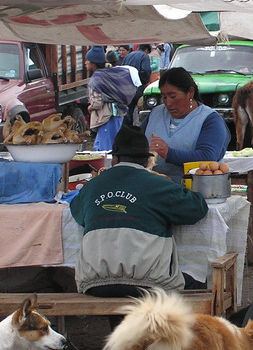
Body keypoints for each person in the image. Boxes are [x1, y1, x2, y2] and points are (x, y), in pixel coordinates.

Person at [70, 125, 208, 297]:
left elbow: (77, 212)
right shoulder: (159, 185)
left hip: (94, 284)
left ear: (115, 159)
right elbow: (197, 208)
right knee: (199, 278)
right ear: (148, 161)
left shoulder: (91, 187)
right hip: (149, 284)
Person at [140, 67, 230, 183]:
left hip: (194, 187)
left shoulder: (209, 119)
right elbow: (136, 141)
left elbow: (207, 156)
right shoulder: (155, 113)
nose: (168, 103)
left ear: (190, 93)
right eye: (164, 97)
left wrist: (169, 153)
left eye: (173, 96)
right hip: (153, 185)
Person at [86, 46, 138, 151]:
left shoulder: (96, 79)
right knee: (101, 144)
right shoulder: (109, 72)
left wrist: (90, 108)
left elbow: (97, 103)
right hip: (117, 113)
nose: (85, 63)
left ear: (93, 63)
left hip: (108, 116)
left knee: (106, 148)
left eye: (87, 61)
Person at [122, 43, 153, 125]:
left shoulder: (128, 56)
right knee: (141, 109)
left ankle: (127, 128)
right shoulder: (144, 56)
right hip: (138, 86)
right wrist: (144, 81)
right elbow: (146, 70)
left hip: (126, 86)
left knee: (128, 110)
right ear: (146, 50)